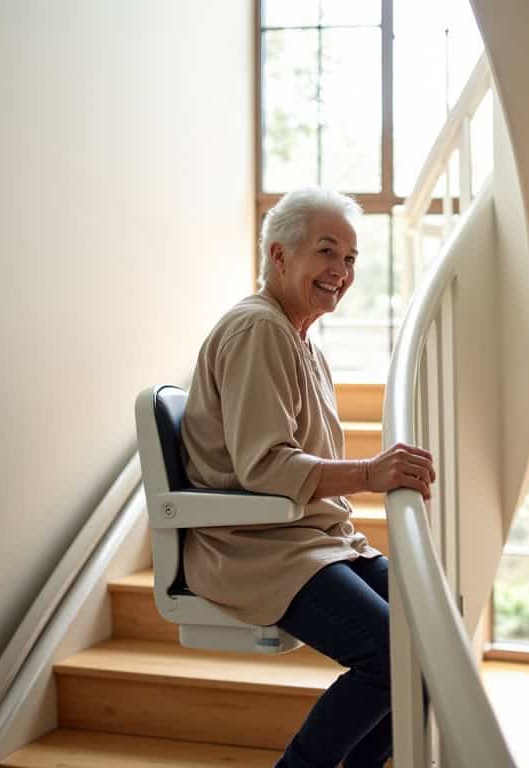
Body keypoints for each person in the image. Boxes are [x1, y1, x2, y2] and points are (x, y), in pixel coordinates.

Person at [178, 186, 436, 768]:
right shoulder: (258, 330)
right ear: (279, 256)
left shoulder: (303, 342)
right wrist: (371, 472)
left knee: (434, 640)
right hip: (257, 548)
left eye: (349, 259)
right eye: (326, 252)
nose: (340, 271)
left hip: (315, 541)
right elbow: (265, 466)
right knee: (392, 653)